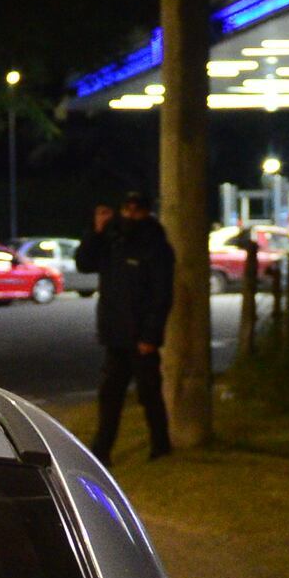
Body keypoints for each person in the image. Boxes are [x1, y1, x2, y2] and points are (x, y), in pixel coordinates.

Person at [87, 191, 178, 459]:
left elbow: (161, 295)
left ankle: (161, 446)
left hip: (141, 337)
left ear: (146, 212)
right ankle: (101, 451)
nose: (130, 215)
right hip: (116, 336)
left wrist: (150, 335)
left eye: (136, 210)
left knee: (149, 394)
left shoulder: (155, 245)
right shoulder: (113, 240)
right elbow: (85, 262)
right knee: (110, 396)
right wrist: (97, 231)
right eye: (126, 209)